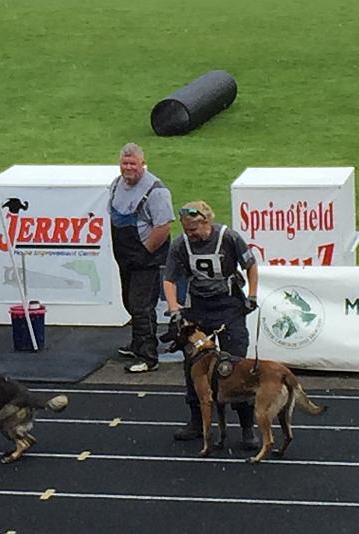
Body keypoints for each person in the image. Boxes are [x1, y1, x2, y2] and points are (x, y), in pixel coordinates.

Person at [162, 200, 259, 449]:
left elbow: (251, 266)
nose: (190, 235)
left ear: (206, 222)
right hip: (199, 310)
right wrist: (174, 309)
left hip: (229, 308)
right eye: (186, 230)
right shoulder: (180, 245)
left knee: (236, 367)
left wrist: (252, 296)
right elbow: (169, 279)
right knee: (194, 367)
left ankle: (247, 428)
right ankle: (197, 422)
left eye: (194, 230)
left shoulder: (229, 238)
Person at [108, 143, 174, 373]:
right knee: (129, 302)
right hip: (125, 258)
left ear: (142, 164)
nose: (128, 168)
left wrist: (145, 251)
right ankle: (137, 344)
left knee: (142, 306)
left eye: (133, 164)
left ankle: (148, 356)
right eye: (124, 164)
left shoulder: (156, 191)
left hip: (145, 260)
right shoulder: (116, 185)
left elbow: (163, 227)